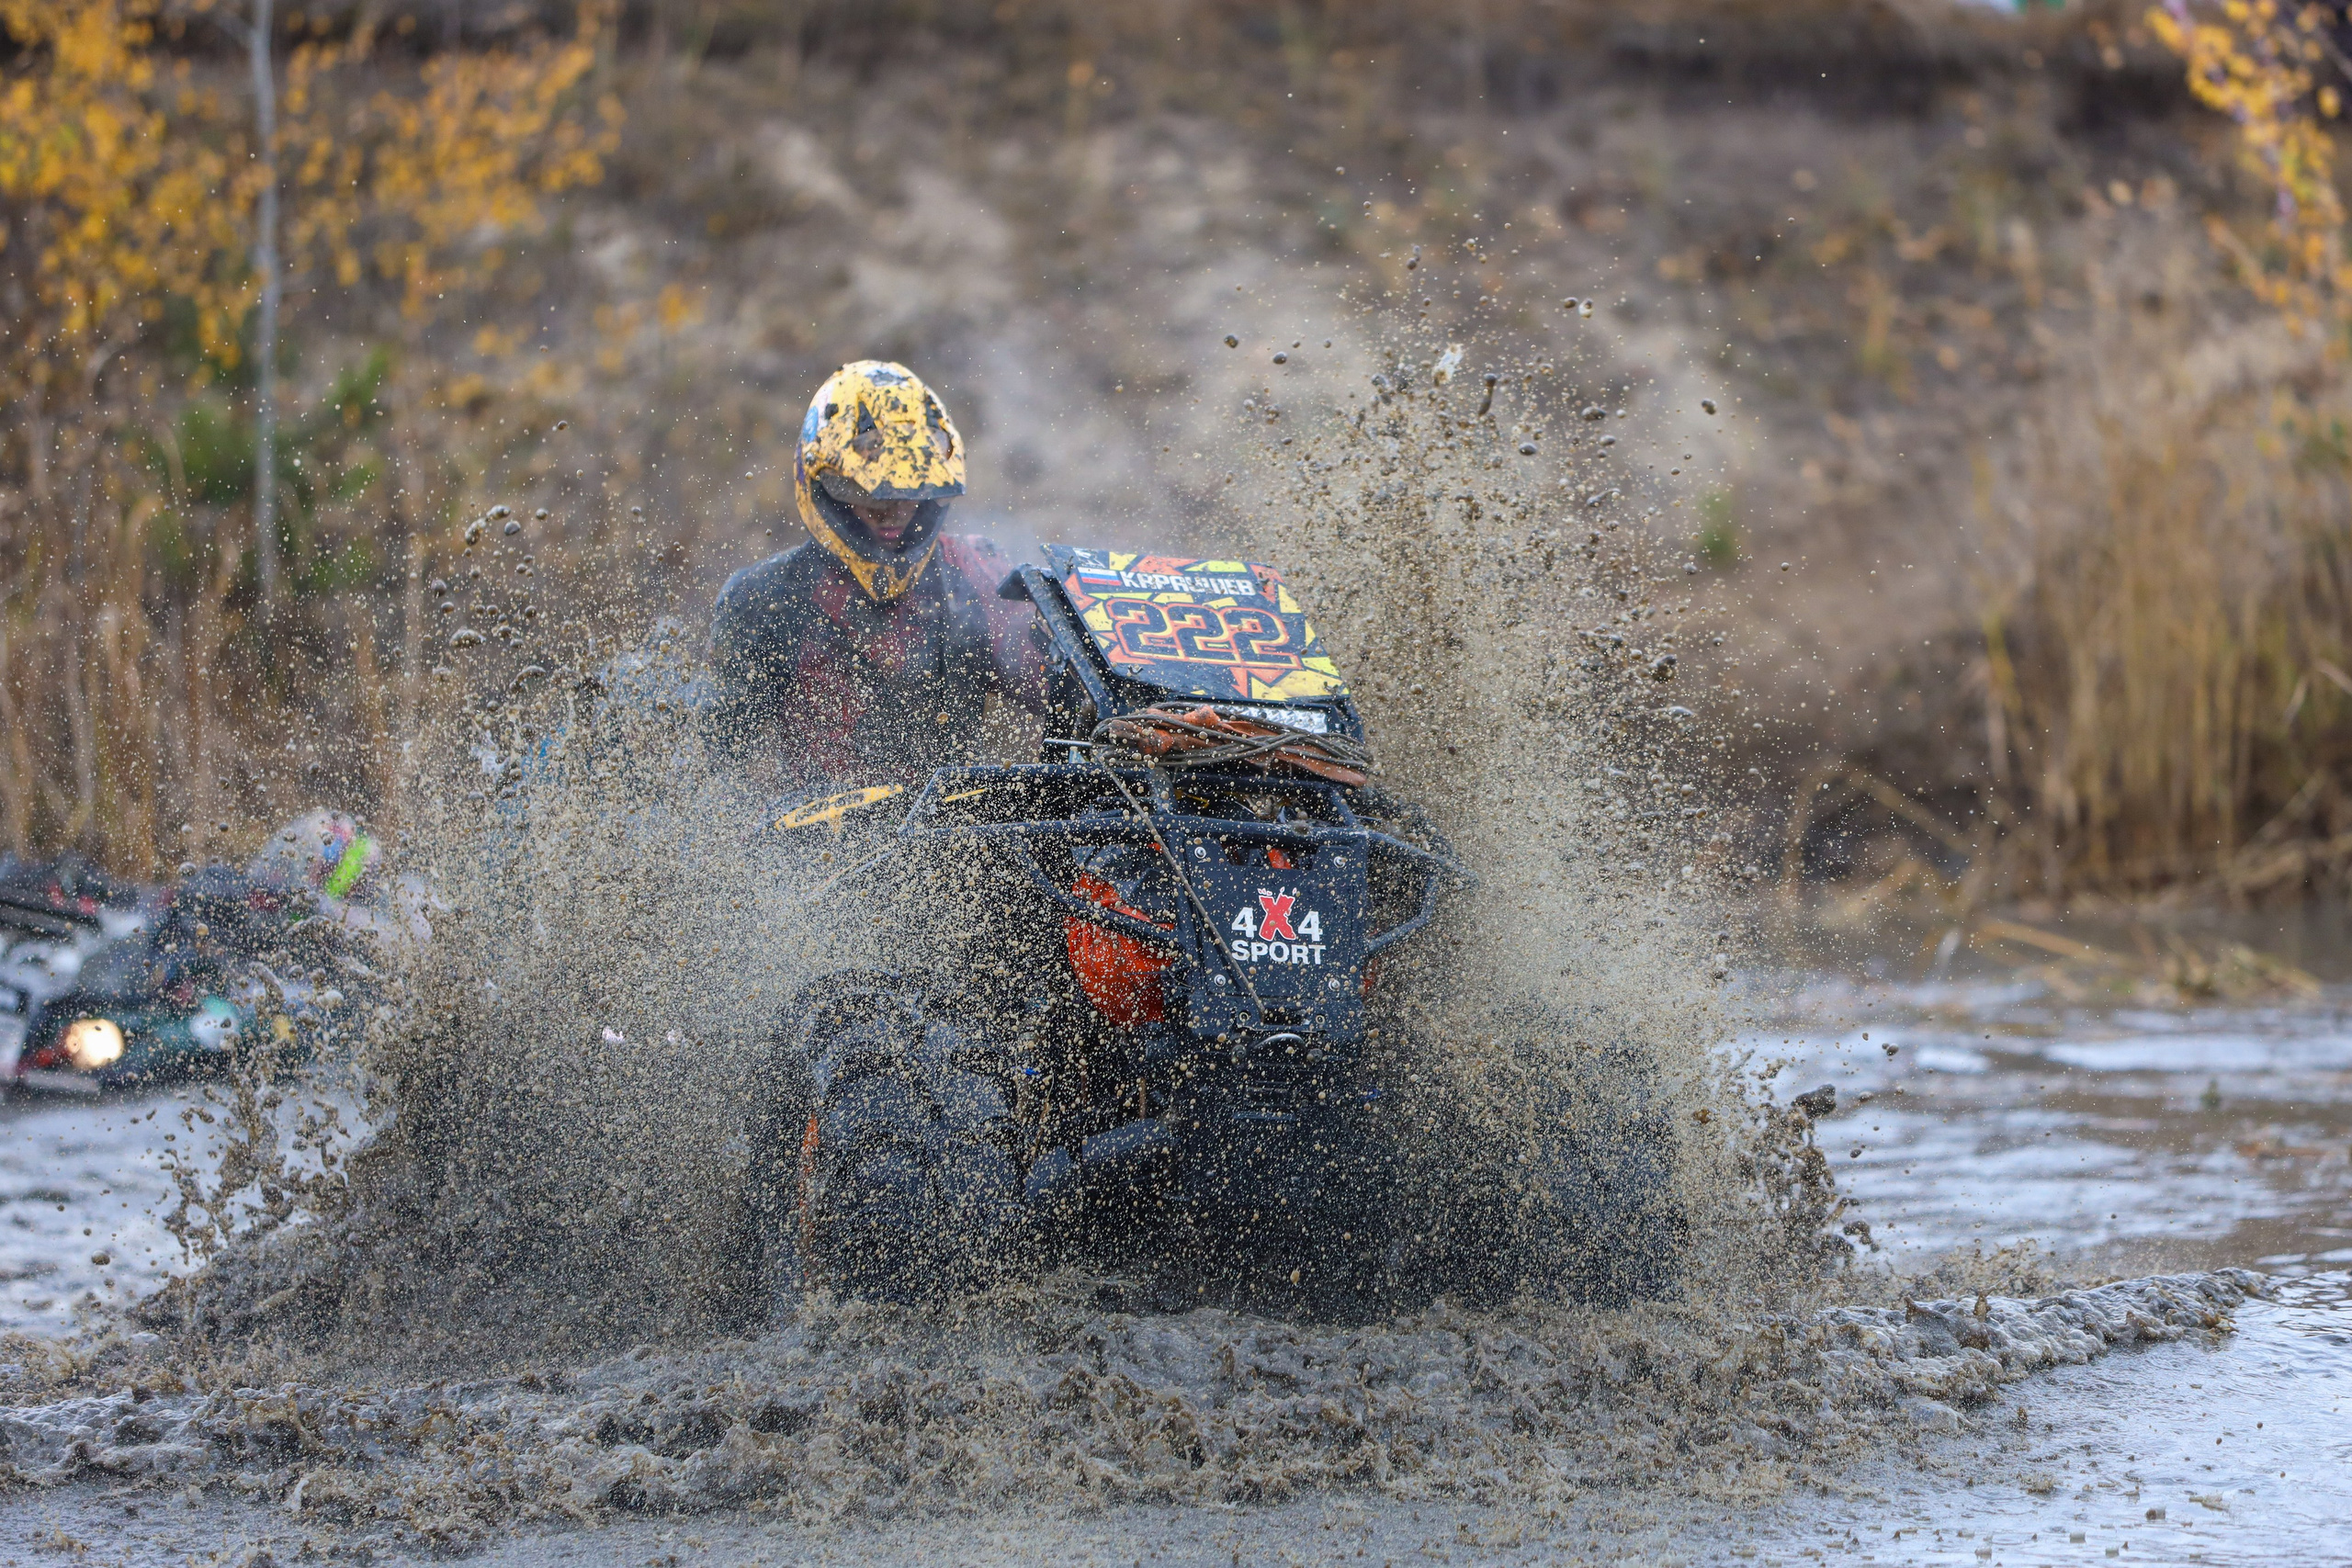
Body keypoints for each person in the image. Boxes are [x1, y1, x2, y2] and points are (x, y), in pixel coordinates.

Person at [707, 361, 1046, 789]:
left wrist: (1124, 713)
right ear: (824, 484)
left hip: (955, 834)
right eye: (867, 493)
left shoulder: (975, 572)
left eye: (913, 494)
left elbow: (1057, 687)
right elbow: (718, 765)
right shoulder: (763, 599)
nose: (896, 513)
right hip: (822, 847)